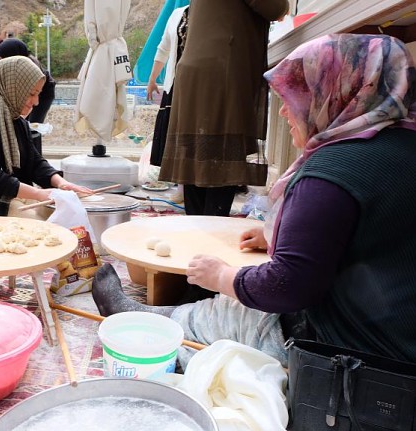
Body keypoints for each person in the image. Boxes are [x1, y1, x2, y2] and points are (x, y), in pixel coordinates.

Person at [93, 33, 416, 369]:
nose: (284, 113)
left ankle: (153, 328)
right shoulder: (404, 143)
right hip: (398, 330)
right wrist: (279, 232)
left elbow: (286, 287)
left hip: (366, 358)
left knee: (242, 314)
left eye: (296, 96)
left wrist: (221, 276)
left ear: (334, 93)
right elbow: (369, 231)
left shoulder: (334, 168)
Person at [159, 0, 288, 216]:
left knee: (197, 159)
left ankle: (196, 229)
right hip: (222, 67)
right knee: (223, 158)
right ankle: (211, 232)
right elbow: (274, 8)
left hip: (196, 66)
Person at [0, 56, 92, 218]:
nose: (36, 102)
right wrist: (39, 194)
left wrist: (61, 183)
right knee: (42, 226)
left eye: (38, 94)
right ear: (14, 88)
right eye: (31, 93)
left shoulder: (16, 120)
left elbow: (34, 163)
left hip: (10, 197)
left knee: (68, 211)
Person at [146, 4, 189, 166]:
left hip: (199, 87)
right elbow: (163, 48)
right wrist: (152, 79)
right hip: (175, 84)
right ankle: (179, 187)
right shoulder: (177, 14)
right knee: (171, 140)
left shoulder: (216, 12)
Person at [0, 37, 56, 124]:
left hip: (44, 92)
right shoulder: (14, 65)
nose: (0, 61)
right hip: (32, 93)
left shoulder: (30, 66)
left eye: (3, 58)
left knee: (34, 125)